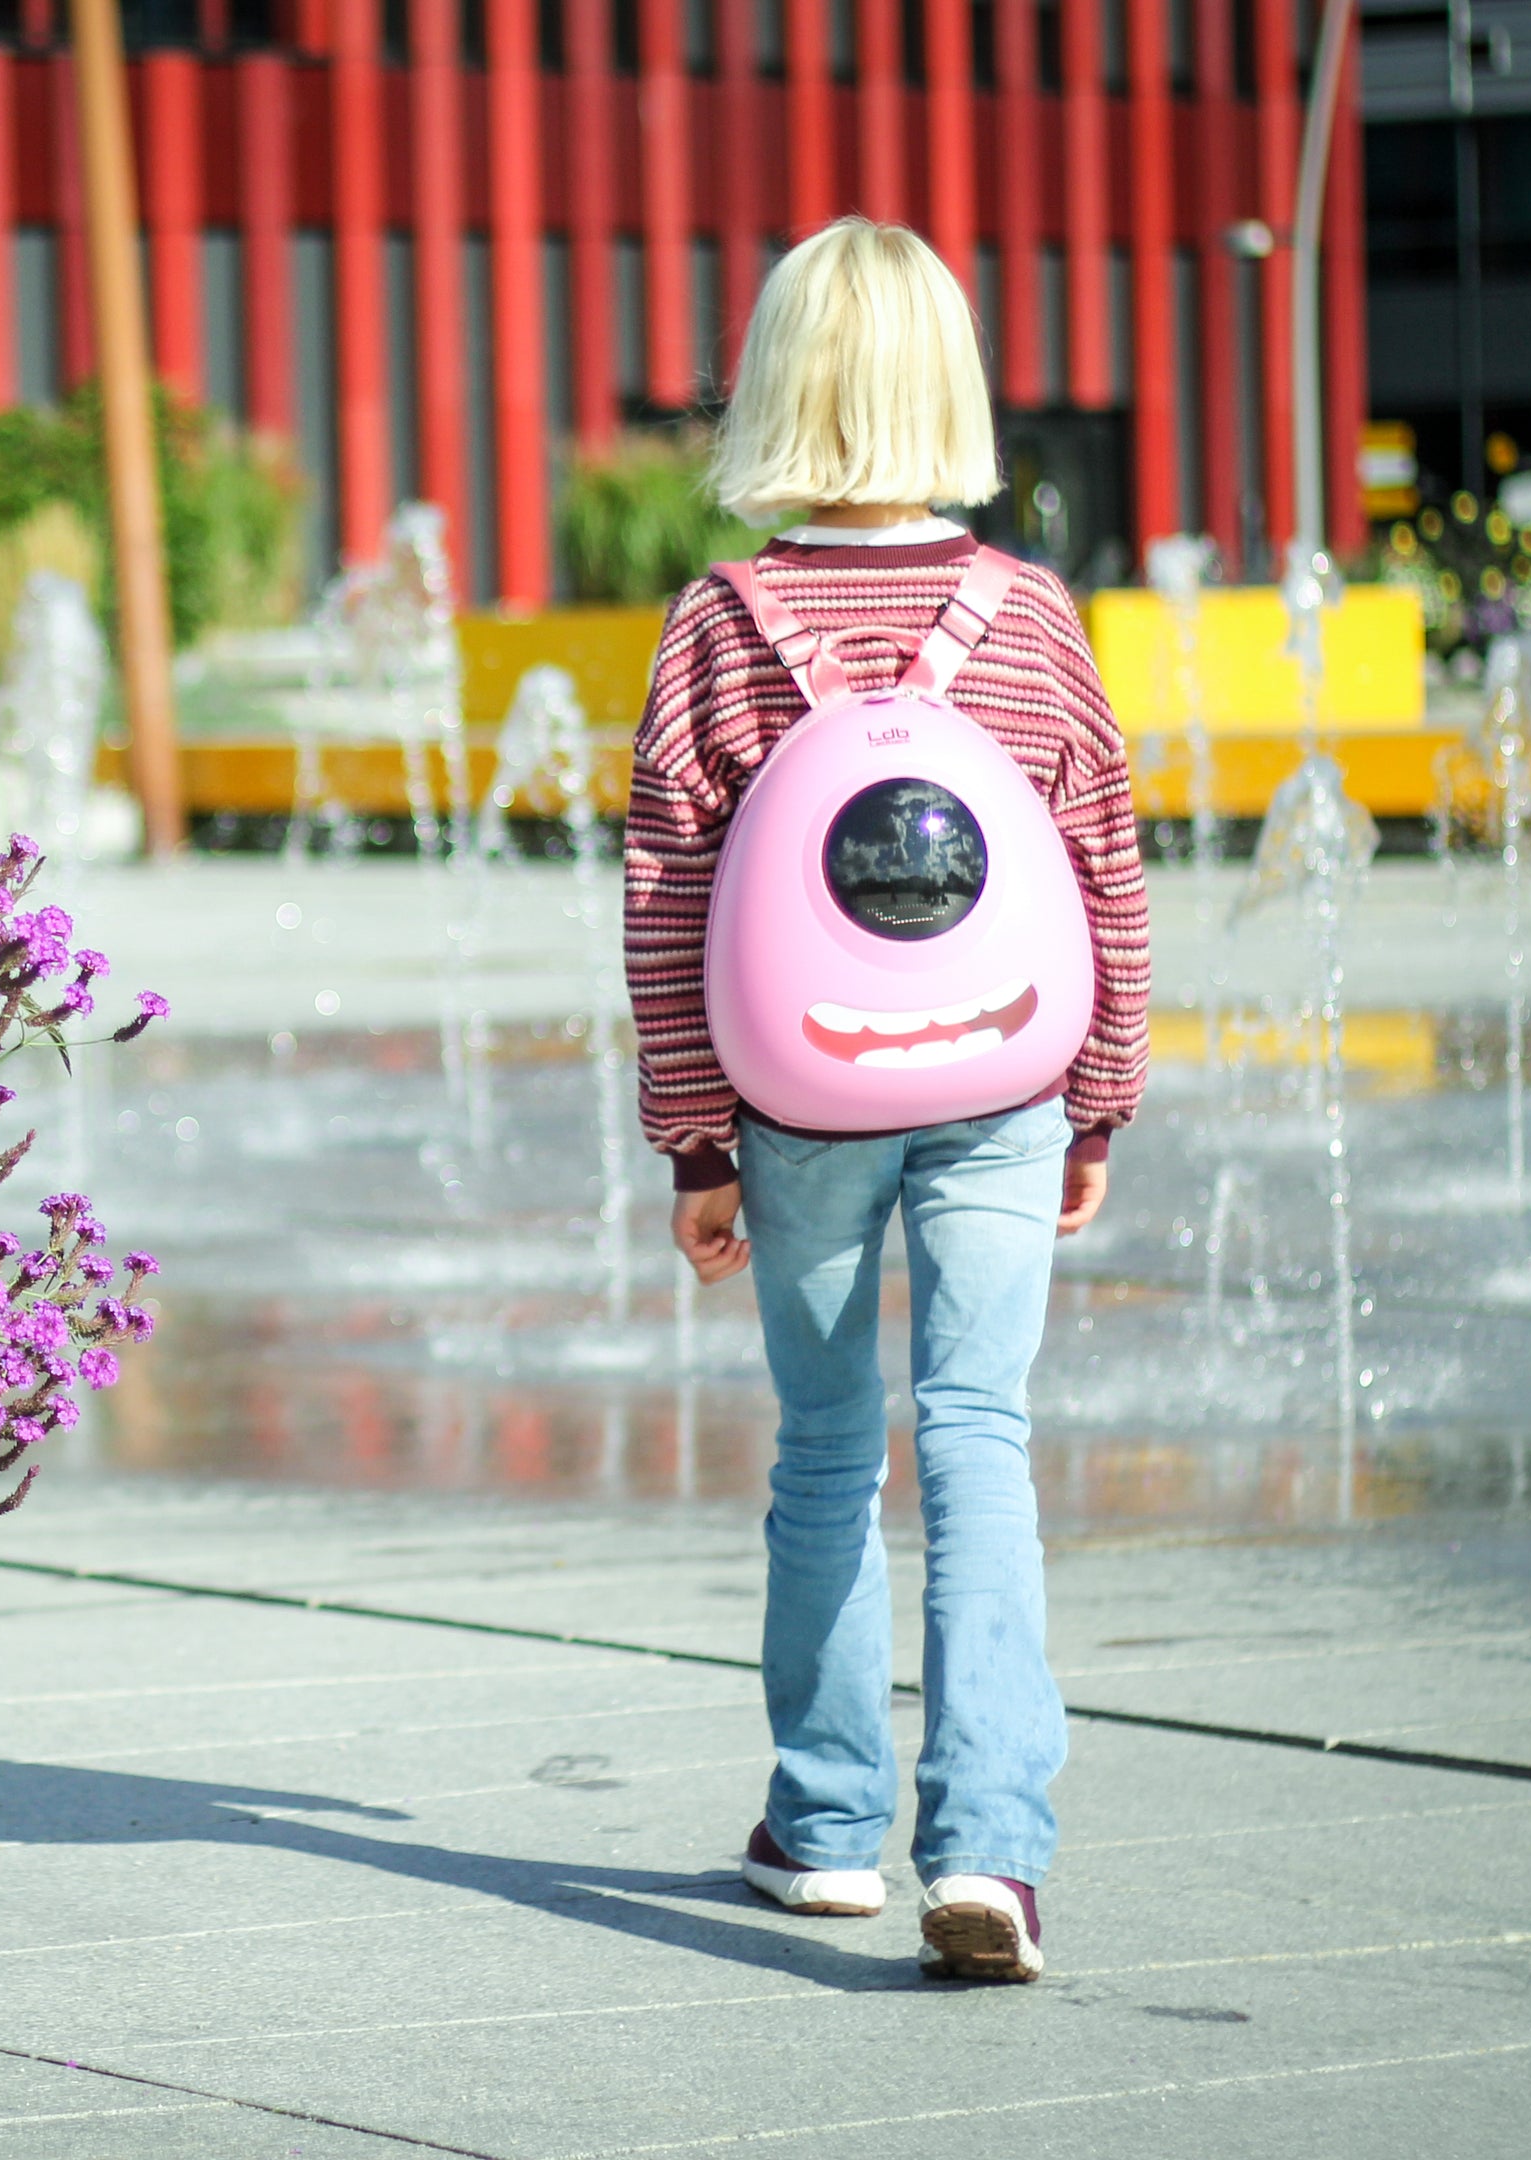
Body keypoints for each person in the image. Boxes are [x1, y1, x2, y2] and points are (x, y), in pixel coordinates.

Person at [621, 216, 1151, 1984]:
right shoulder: (1030, 618)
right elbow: (1101, 868)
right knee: (978, 1436)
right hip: (1002, 1074)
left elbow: (671, 904)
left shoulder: (718, 623)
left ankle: (829, 1826)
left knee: (831, 1446)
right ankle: (990, 1848)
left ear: (772, 387)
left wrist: (698, 1142)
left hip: (802, 1096)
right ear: (953, 386)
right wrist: (1101, 1102)